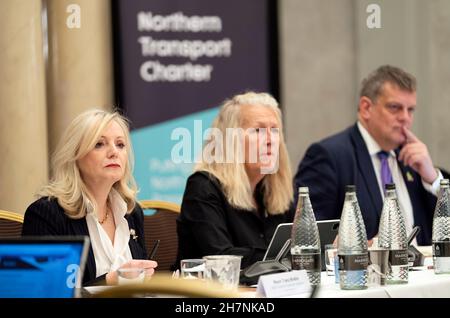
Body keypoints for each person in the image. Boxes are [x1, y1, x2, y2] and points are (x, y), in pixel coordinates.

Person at [294, 65, 442, 246]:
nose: (405, 118)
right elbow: (308, 238)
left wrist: (432, 179)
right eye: (395, 107)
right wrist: (365, 247)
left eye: (410, 110)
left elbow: (440, 228)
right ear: (366, 108)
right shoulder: (330, 156)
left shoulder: (413, 159)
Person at [22, 109, 157, 285]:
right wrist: (109, 282)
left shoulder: (131, 212)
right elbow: (44, 290)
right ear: (75, 155)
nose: (113, 152)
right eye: (99, 144)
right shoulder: (47, 214)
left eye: (120, 145)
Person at [176, 92, 294, 269]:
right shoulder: (203, 187)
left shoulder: (272, 192)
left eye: (275, 130)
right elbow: (220, 259)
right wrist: (288, 259)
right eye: (258, 130)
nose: (270, 140)